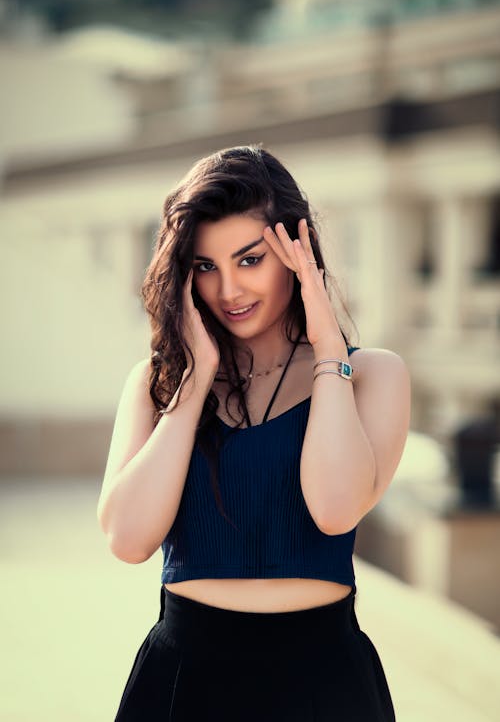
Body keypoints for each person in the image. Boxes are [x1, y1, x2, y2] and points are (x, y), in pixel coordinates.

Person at [97, 144, 411, 721]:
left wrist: (327, 350)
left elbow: (335, 509)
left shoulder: (371, 375)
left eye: (249, 260)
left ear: (298, 253)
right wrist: (193, 388)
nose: (229, 291)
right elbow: (128, 540)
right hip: (184, 681)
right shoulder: (156, 385)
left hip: (325, 684)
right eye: (205, 266)